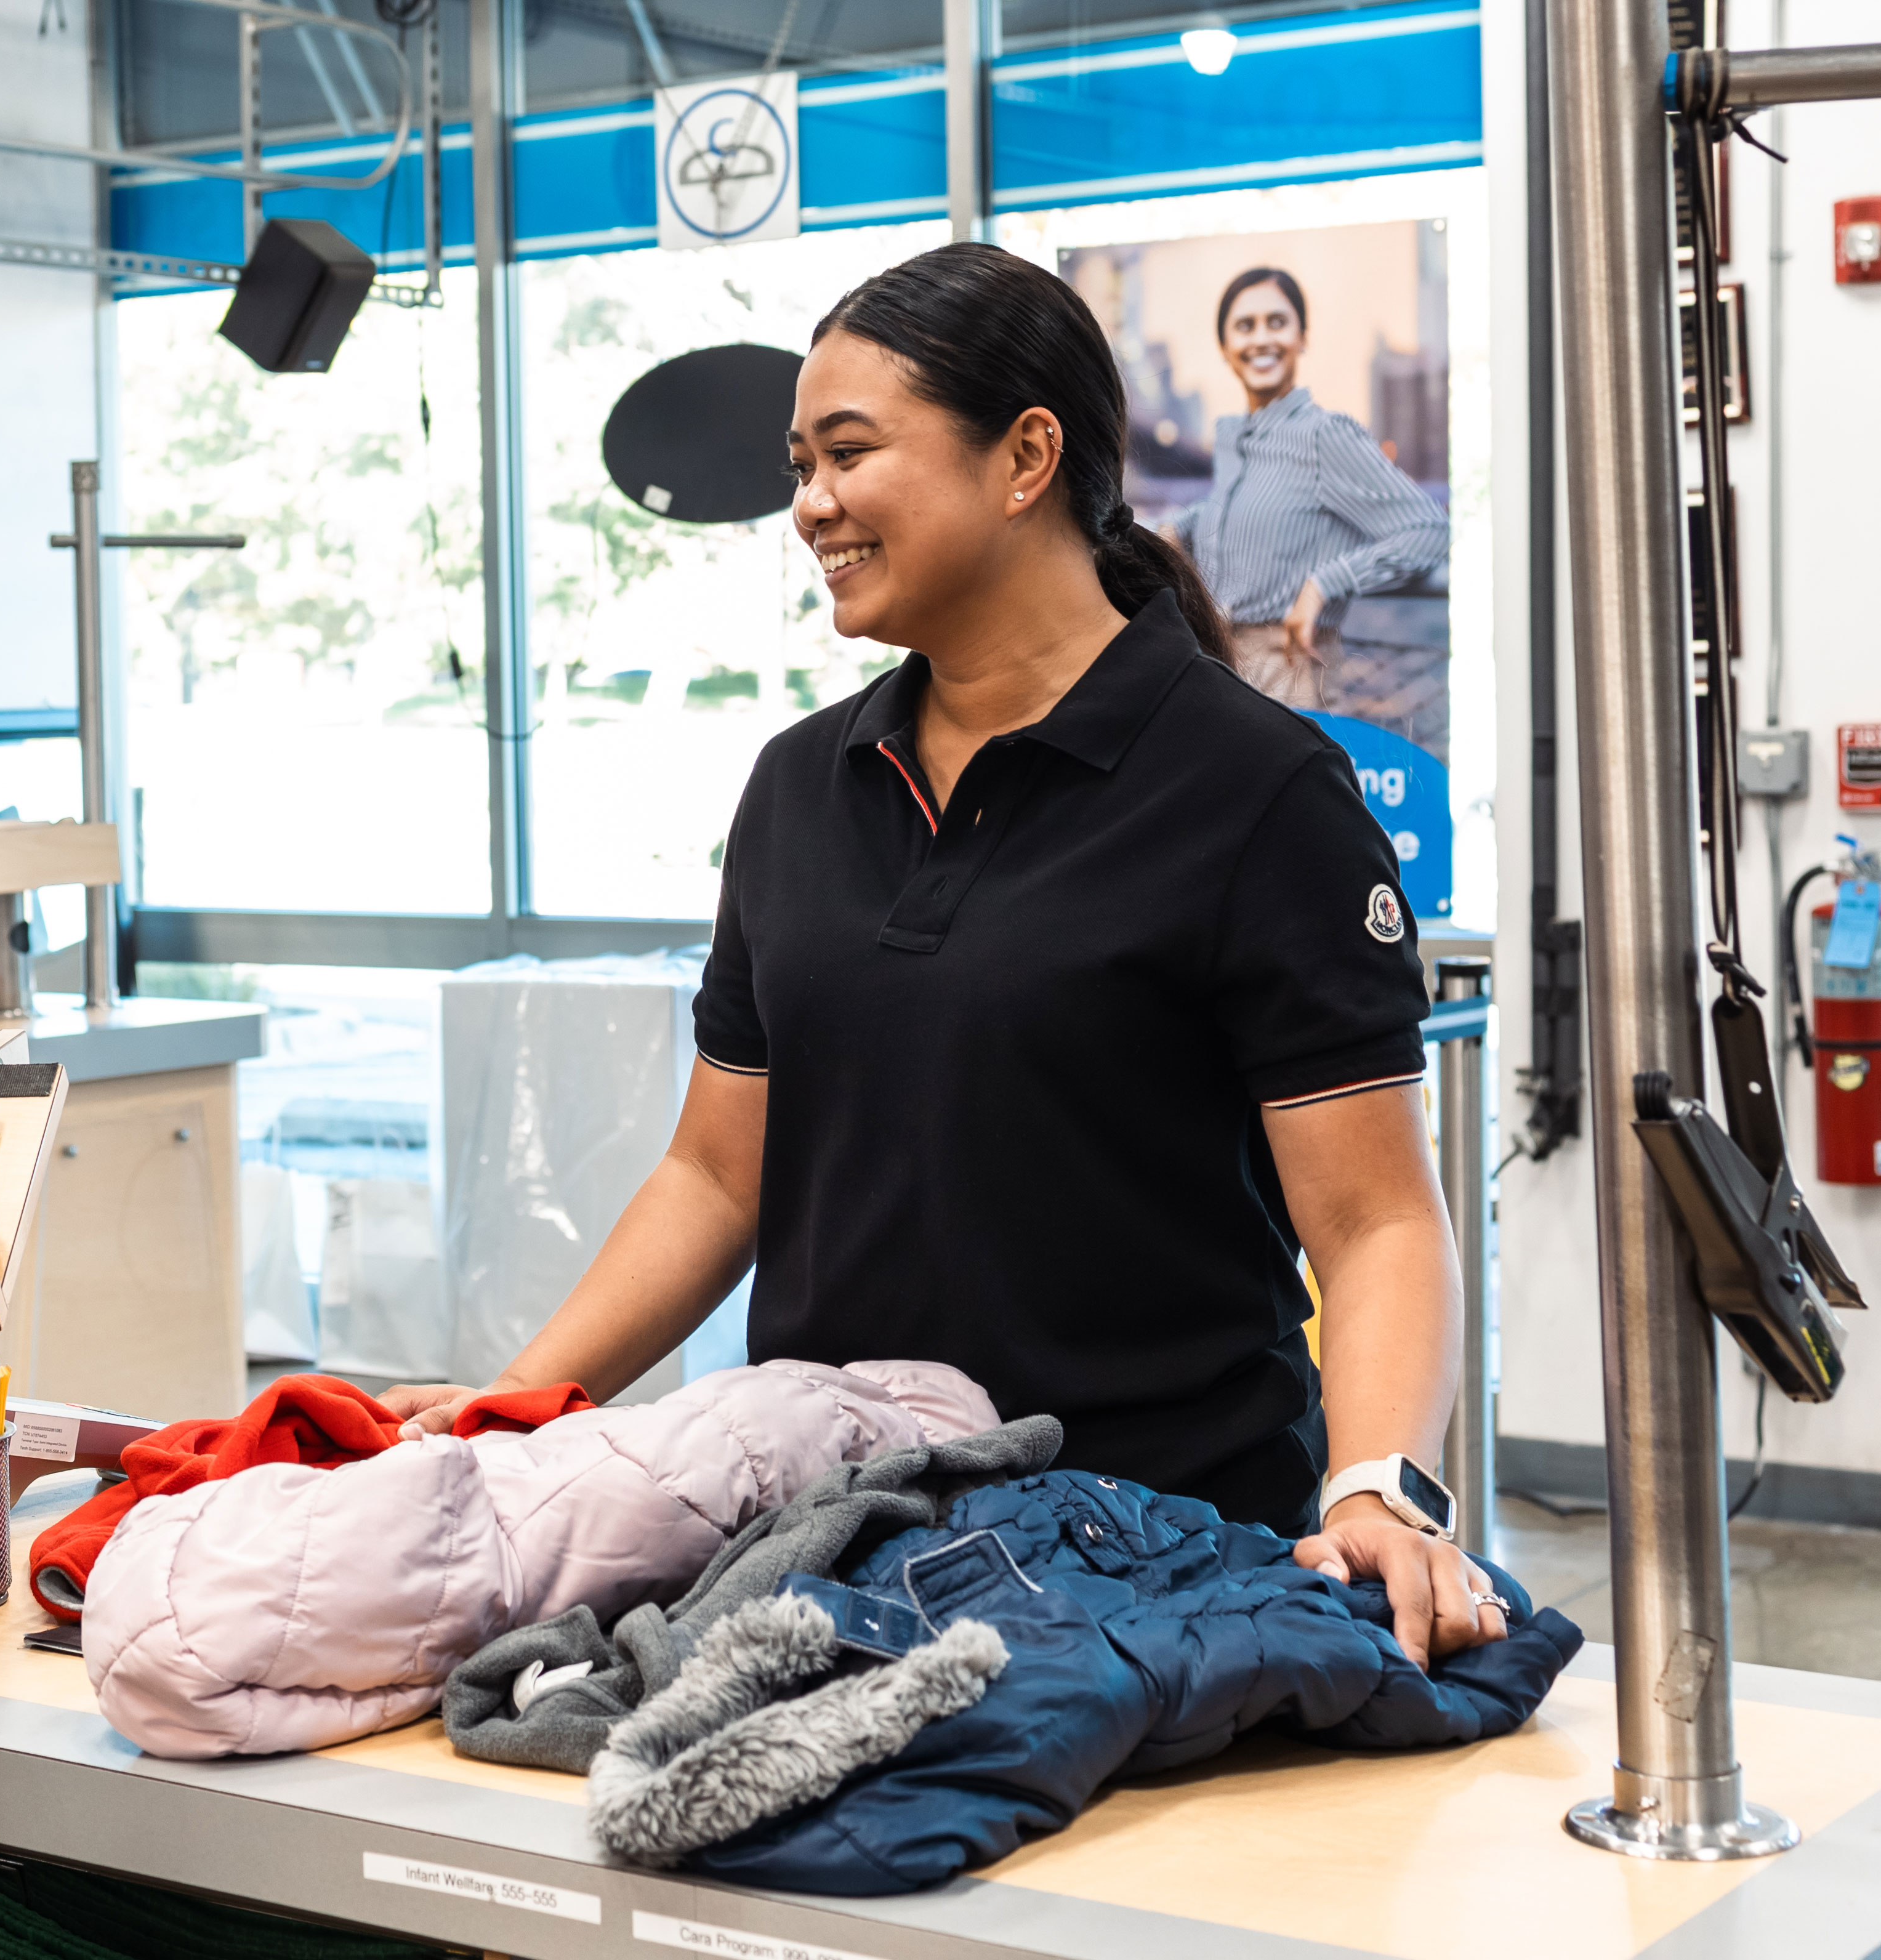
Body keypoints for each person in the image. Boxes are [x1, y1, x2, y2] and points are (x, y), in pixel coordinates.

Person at [387, 243, 1500, 1670]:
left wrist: (1377, 1492)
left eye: (849, 453)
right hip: (832, 1551)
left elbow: (1376, 1219)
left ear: (1025, 456)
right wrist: (516, 1405)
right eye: (800, 464)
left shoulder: (1257, 789)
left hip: (1156, 1564)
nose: (810, 503)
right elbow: (716, 1174)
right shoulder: (799, 787)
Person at [1176, 266, 1448, 715]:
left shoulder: (1324, 436)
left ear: (1302, 337)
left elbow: (1429, 530)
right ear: (1225, 347)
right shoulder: (1236, 442)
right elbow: (1255, 506)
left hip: (1288, 676)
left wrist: (1323, 585)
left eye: (1276, 322)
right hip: (1219, 669)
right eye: (1245, 326)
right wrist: (1178, 527)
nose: (1261, 338)